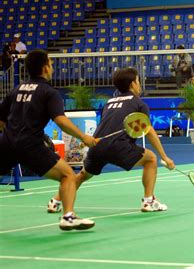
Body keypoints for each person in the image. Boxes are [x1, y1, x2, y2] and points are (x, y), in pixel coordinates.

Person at [47, 67, 175, 214]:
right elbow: (149, 131)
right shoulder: (139, 103)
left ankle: (55, 201)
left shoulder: (110, 102)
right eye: (138, 81)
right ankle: (149, 201)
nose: (139, 85)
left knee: (83, 175)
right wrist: (165, 157)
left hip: (97, 146)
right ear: (133, 84)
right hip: (118, 147)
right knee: (151, 159)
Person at [0, 49, 97, 231]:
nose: (52, 68)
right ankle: (68, 216)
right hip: (31, 146)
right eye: (51, 64)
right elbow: (60, 120)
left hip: (6, 143)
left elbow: (1, 119)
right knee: (68, 175)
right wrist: (84, 137)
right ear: (45, 68)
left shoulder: (16, 89)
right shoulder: (49, 92)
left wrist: (11, 135)